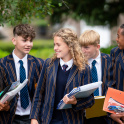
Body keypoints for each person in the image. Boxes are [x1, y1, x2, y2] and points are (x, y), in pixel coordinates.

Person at [30, 28, 94, 124]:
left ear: (69, 46)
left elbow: (90, 101)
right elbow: (39, 94)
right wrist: (34, 118)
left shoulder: (83, 69)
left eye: (58, 45)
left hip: (72, 121)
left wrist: (75, 102)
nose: (55, 48)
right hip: (48, 120)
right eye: (54, 44)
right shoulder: (48, 64)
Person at [0, 24, 44, 124]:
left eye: (31, 40)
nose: (29, 44)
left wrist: (36, 117)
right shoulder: (2, 64)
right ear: (14, 41)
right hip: (9, 118)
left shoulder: (39, 64)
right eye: (24, 40)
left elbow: (42, 93)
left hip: (32, 118)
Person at [79, 30, 110, 124]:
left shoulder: (110, 61)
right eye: (81, 47)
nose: (82, 50)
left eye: (86, 47)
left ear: (97, 47)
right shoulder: (78, 63)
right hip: (84, 115)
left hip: (106, 115)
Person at [105, 24, 124, 124]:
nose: (116, 39)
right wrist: (112, 112)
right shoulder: (115, 52)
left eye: (118, 36)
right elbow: (110, 83)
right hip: (118, 114)